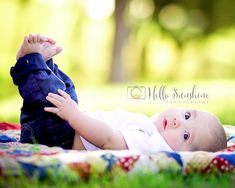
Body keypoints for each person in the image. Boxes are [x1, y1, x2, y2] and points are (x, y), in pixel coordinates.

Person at [10, 34, 227, 153]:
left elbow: (107, 139)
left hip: (59, 138)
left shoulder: (151, 146)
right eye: (187, 115)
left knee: (50, 93)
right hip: (69, 126)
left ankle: (30, 63)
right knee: (65, 89)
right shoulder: (151, 129)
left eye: (186, 136)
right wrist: (74, 113)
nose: (178, 122)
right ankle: (42, 63)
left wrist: (74, 115)